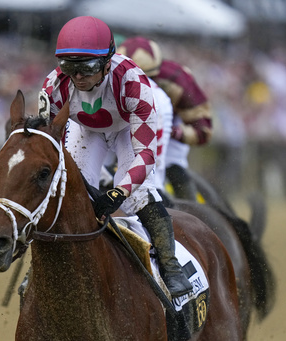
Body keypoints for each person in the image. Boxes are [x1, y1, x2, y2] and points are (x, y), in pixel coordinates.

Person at [41, 16, 192, 297]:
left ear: (108, 61)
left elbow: (146, 155)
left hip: (126, 130)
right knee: (70, 193)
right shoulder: (53, 87)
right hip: (86, 131)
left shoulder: (134, 82)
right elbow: (49, 146)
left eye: (86, 67)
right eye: (69, 67)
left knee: (138, 194)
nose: (77, 77)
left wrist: (119, 191)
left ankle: (171, 268)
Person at [117, 37, 213, 201]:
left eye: (147, 78)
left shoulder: (179, 81)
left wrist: (175, 132)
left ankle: (192, 211)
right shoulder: (110, 78)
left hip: (168, 128)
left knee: (173, 168)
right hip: (124, 125)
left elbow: (203, 131)